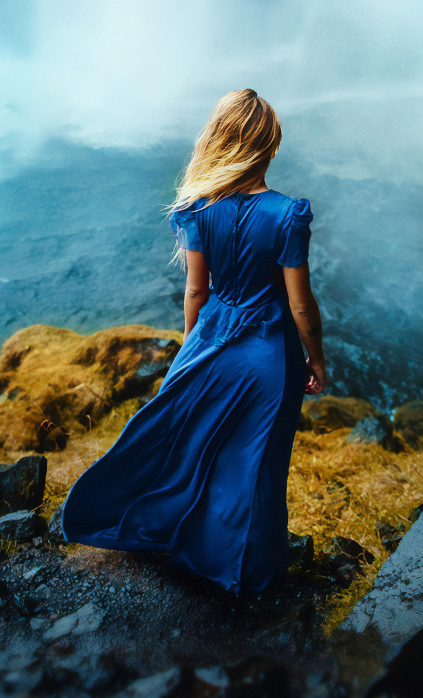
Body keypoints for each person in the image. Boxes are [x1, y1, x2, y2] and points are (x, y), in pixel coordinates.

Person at [58, 88, 328, 594]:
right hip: (270, 354)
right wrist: (316, 358)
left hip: (211, 339)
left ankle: (153, 529)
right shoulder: (289, 214)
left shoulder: (197, 208)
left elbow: (196, 290)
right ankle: (247, 571)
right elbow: (300, 305)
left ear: (220, 140)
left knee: (186, 445)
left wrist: (193, 348)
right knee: (256, 464)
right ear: (268, 147)